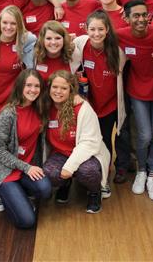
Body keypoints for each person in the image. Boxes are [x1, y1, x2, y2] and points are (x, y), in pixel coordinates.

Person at [116, 0, 153, 201]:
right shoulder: (121, 35)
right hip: (137, 92)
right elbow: (97, 38)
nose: (141, 19)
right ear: (127, 18)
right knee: (144, 135)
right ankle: (141, 171)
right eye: (136, 15)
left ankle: (152, 175)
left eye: (144, 15)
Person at [0, 70, 51, 228]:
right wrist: (26, 167)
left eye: (37, 86)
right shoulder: (8, 113)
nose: (33, 90)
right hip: (5, 171)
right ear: (20, 86)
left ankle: (17, 193)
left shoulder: (40, 109)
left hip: (25, 170)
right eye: (28, 85)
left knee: (46, 190)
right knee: (27, 221)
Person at [0, 5, 37, 179]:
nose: (8, 27)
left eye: (13, 23)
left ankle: (15, 181)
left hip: (15, 106)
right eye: (5, 22)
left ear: (19, 25)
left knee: (13, 147)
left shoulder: (27, 42)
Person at [71, 10, 124, 199]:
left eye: (100, 29)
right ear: (86, 29)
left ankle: (103, 180)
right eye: (92, 29)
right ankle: (85, 175)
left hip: (109, 105)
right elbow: (70, 62)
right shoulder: (80, 43)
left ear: (107, 29)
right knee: (85, 140)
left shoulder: (117, 51)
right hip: (88, 105)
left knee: (104, 142)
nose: (96, 33)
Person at [43, 70, 111, 213]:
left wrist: (69, 166)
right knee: (49, 173)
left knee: (87, 171)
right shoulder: (46, 107)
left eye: (64, 88)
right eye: (55, 87)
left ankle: (94, 192)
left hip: (89, 154)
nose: (58, 91)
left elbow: (89, 143)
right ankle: (65, 183)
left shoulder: (83, 108)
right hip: (60, 153)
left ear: (71, 90)